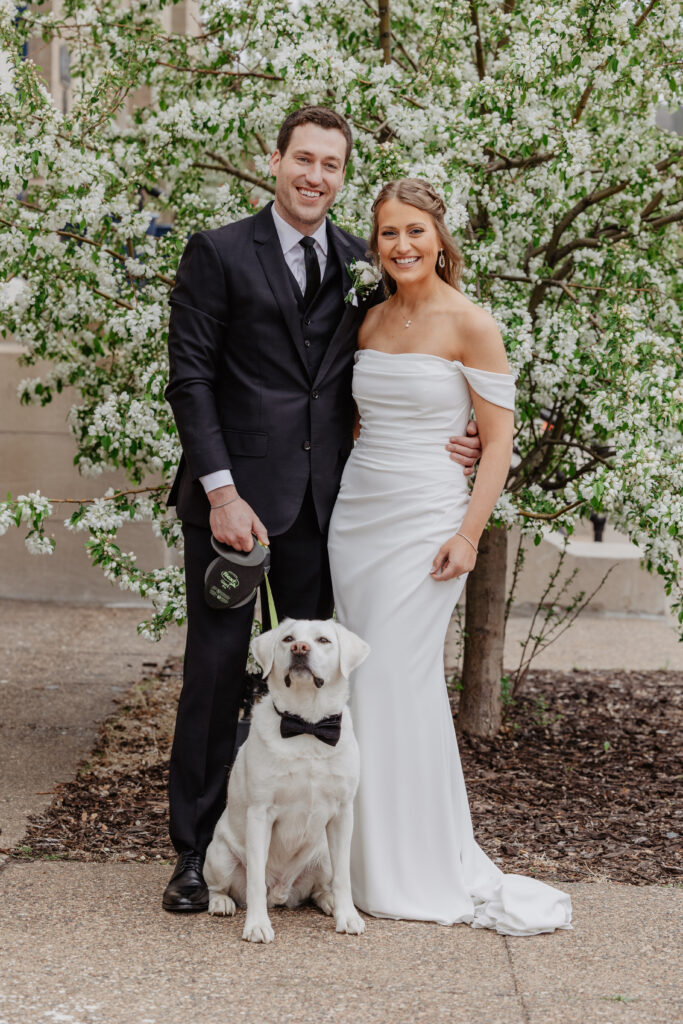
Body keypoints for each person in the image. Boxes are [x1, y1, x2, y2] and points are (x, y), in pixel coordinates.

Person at [163, 110, 481, 912]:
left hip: (327, 512)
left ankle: (304, 858)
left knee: (311, 681)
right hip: (231, 510)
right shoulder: (218, 252)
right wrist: (221, 492)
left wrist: (459, 430)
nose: (314, 175)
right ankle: (198, 856)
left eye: (330, 165)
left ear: (342, 175)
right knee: (213, 677)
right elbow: (191, 380)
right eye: (302, 159)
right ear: (273, 161)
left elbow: (389, 361)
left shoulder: (357, 261)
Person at [327, 179, 573, 935]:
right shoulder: (365, 321)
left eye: (414, 231)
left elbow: (496, 442)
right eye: (387, 234)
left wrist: (467, 535)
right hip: (357, 515)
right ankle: (351, 865)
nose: (401, 246)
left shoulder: (472, 323)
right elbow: (349, 414)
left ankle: (416, 863)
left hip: (429, 520)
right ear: (375, 245)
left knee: (400, 680)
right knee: (357, 683)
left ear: (440, 238)